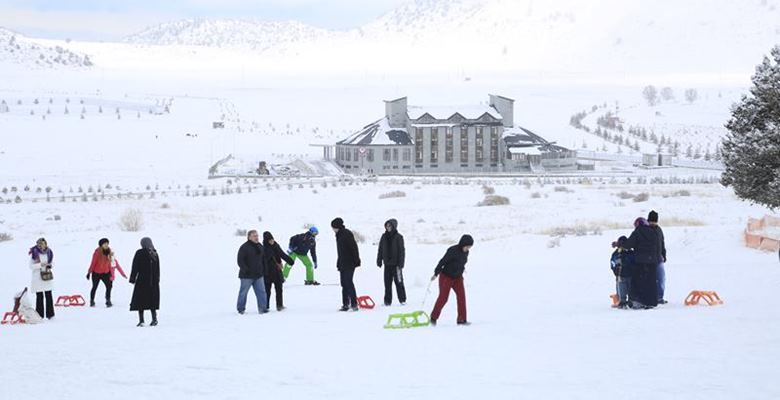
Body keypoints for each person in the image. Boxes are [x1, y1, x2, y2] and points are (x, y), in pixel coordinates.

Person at [430, 235, 474, 326]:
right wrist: (436, 273)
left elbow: (461, 264)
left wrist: (461, 272)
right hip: (446, 276)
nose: (468, 248)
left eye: (470, 247)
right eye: (467, 246)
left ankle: (461, 320)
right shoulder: (452, 250)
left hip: (457, 277)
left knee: (462, 297)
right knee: (443, 298)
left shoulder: (466, 252)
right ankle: (433, 317)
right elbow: (442, 261)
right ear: (463, 244)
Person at [622, 218, 661, 309]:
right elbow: (658, 245)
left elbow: (628, 245)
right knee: (650, 282)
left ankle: (637, 301)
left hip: (640, 261)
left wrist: (622, 243)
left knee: (638, 282)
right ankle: (651, 302)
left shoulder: (637, 232)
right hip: (652, 262)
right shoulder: (654, 232)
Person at [332, 218, 361, 311]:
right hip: (342, 263)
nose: (333, 229)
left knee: (348, 282)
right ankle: (345, 304)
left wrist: (356, 260)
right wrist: (339, 262)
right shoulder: (338, 235)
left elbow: (354, 247)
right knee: (343, 283)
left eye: (334, 227)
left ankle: (354, 304)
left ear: (338, 226)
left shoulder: (346, 234)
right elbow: (341, 251)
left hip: (350, 262)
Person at [130, 237, 160, 327]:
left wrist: (132, 278)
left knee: (140, 301)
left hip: (142, 281)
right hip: (153, 282)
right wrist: (157, 279)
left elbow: (135, 266)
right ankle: (154, 319)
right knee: (152, 301)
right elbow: (158, 268)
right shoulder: (155, 253)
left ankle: (141, 320)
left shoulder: (139, 253)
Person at [236, 230, 268, 315]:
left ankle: (263, 308)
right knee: (243, 293)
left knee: (262, 292)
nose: (256, 237)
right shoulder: (244, 247)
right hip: (247, 276)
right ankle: (241, 309)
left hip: (259, 275)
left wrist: (265, 270)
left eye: (257, 235)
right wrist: (246, 270)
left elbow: (263, 259)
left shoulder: (260, 246)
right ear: (249, 237)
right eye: (254, 236)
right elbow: (240, 261)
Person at [376, 218, 407, 306]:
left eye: (389, 226)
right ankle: (387, 301)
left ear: (394, 226)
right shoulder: (384, 236)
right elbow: (380, 249)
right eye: (387, 225)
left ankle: (402, 300)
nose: (388, 227)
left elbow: (402, 251)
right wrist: (379, 260)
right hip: (387, 264)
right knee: (387, 283)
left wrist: (401, 264)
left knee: (399, 282)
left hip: (396, 265)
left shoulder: (399, 237)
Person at [262, 231, 295, 312]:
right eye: (269, 240)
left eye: (272, 239)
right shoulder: (263, 248)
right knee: (267, 290)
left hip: (277, 271)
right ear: (266, 241)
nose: (271, 241)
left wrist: (290, 260)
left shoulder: (276, 245)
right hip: (267, 272)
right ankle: (265, 306)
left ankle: (279, 305)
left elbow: (282, 254)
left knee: (279, 289)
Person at [28, 238, 55, 320]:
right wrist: (40, 265)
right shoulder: (34, 253)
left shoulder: (49, 252)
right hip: (38, 278)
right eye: (40, 244)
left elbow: (52, 262)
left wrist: (50, 265)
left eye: (43, 244)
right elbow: (31, 266)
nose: (42, 245)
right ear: (38, 244)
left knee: (49, 295)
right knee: (39, 297)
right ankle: (39, 315)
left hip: (47, 276)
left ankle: (50, 315)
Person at [647, 210, 668, 304]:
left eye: (654, 221)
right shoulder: (645, 230)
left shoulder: (659, 230)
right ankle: (651, 297)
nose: (653, 223)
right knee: (650, 280)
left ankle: (660, 297)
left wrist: (664, 255)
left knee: (661, 279)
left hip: (659, 259)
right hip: (649, 260)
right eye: (651, 221)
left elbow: (662, 243)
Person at [86, 238, 114, 307]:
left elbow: (110, 262)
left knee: (109, 286)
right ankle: (92, 301)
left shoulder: (109, 251)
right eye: (105, 244)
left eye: (107, 243)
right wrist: (89, 272)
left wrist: (111, 272)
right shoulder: (97, 252)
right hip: (96, 273)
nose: (106, 245)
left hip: (105, 273)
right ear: (101, 245)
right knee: (95, 287)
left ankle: (108, 300)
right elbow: (93, 263)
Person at [610, 236, 634, 309]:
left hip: (630, 275)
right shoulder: (617, 253)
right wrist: (615, 269)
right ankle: (622, 301)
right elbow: (612, 263)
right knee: (621, 288)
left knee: (629, 289)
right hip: (621, 275)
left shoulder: (630, 252)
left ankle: (630, 301)